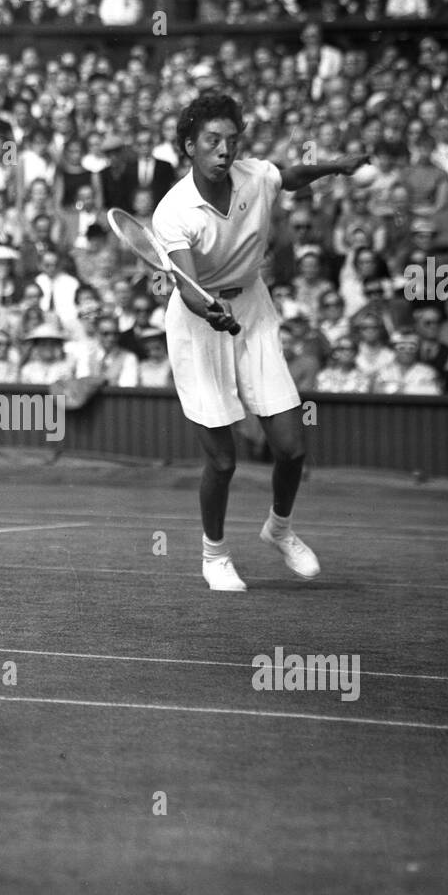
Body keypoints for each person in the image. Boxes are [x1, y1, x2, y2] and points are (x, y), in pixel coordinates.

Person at [151, 92, 367, 592]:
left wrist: (337, 166)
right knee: (223, 461)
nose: (224, 150)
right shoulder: (174, 211)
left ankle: (280, 529)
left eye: (231, 140)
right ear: (190, 147)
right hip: (197, 323)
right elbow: (186, 287)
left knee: (291, 449)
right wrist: (211, 311)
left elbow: (287, 176)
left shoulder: (254, 175)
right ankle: (214, 555)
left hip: (253, 309)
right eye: (212, 141)